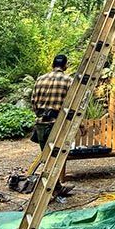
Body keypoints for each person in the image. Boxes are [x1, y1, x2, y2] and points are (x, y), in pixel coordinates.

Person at [31, 54, 74, 196]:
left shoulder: (40, 79)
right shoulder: (69, 81)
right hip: (58, 124)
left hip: (41, 124)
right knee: (55, 158)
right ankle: (53, 189)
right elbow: (72, 105)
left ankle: (55, 188)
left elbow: (34, 102)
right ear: (65, 66)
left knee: (47, 158)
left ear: (52, 65)